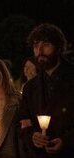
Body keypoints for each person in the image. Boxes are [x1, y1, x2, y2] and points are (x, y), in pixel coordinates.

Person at [20, 23, 74, 158]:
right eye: (36, 46)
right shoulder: (30, 87)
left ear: (59, 48)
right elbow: (22, 122)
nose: (40, 51)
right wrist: (32, 136)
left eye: (46, 45)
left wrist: (66, 141)